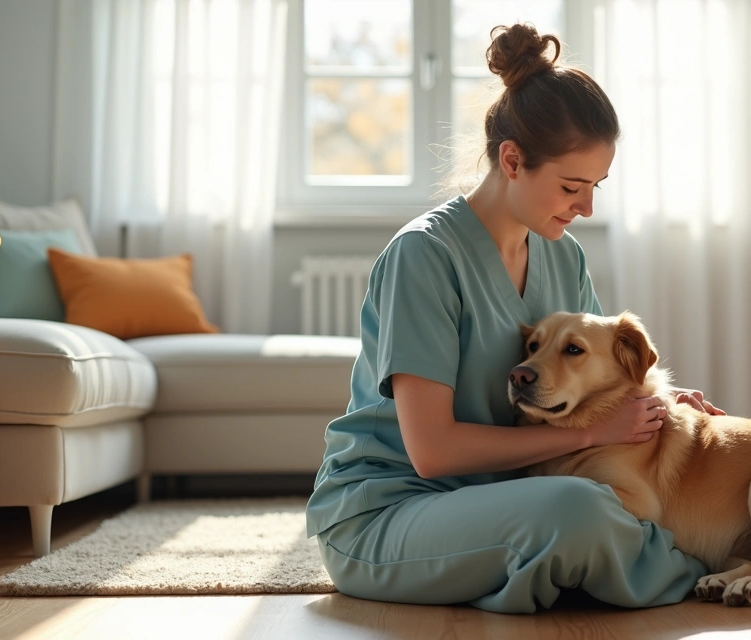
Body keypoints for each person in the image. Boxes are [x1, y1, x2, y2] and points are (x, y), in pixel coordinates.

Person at [306, 23, 724, 614]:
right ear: (512, 160)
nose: (587, 206)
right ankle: (691, 562)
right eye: (572, 186)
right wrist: (587, 434)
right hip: (392, 511)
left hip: (510, 497)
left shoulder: (562, 254)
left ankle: (674, 553)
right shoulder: (423, 255)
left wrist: (658, 404)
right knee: (577, 511)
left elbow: (594, 381)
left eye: (596, 186)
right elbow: (433, 452)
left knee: (642, 496)